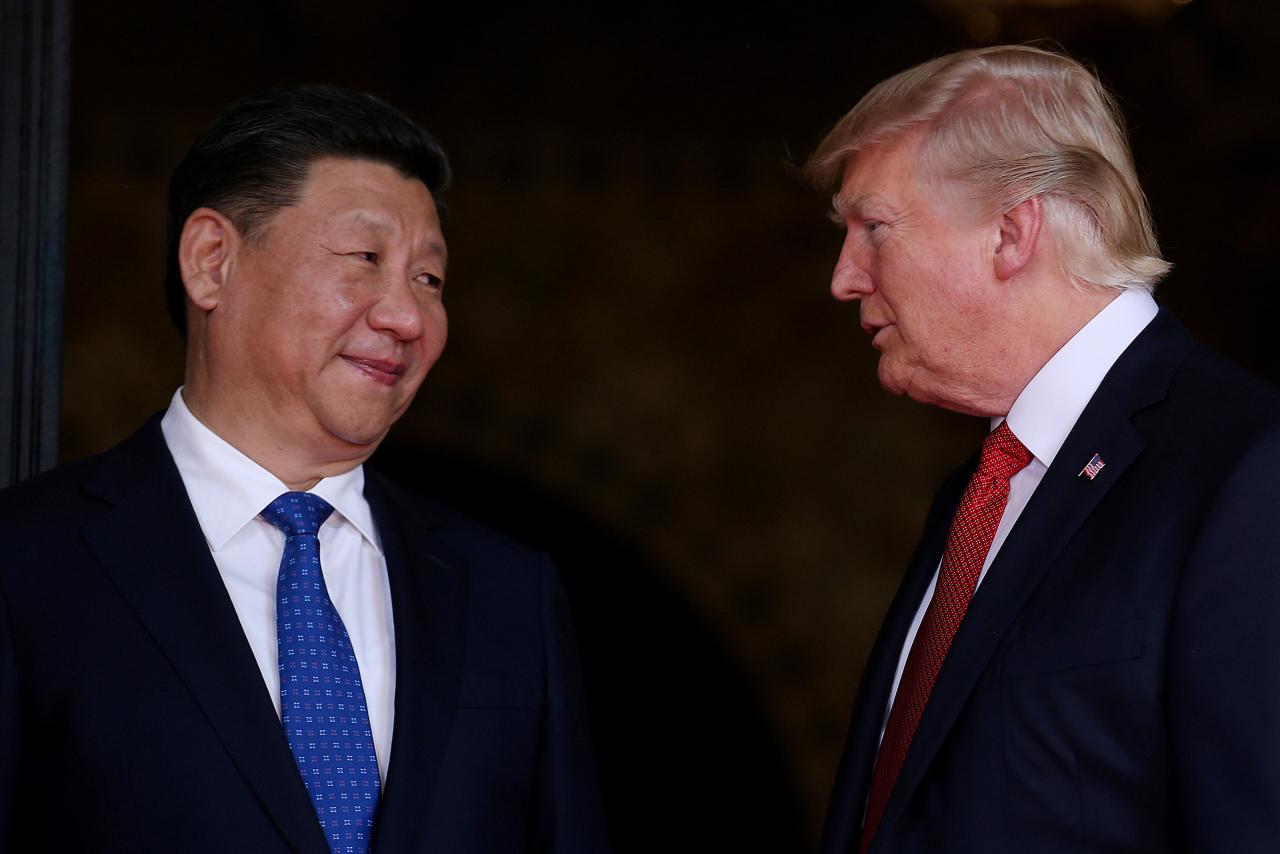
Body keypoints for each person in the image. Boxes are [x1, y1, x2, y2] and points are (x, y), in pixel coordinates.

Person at [0, 85, 608, 854]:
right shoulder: (26, 564)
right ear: (212, 262)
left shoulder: (506, 592)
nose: (407, 317)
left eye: (429, 279)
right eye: (365, 258)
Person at [807, 45, 1280, 853]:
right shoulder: (980, 490)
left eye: (874, 227)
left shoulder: (1247, 469)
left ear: (1011, 232)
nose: (844, 278)